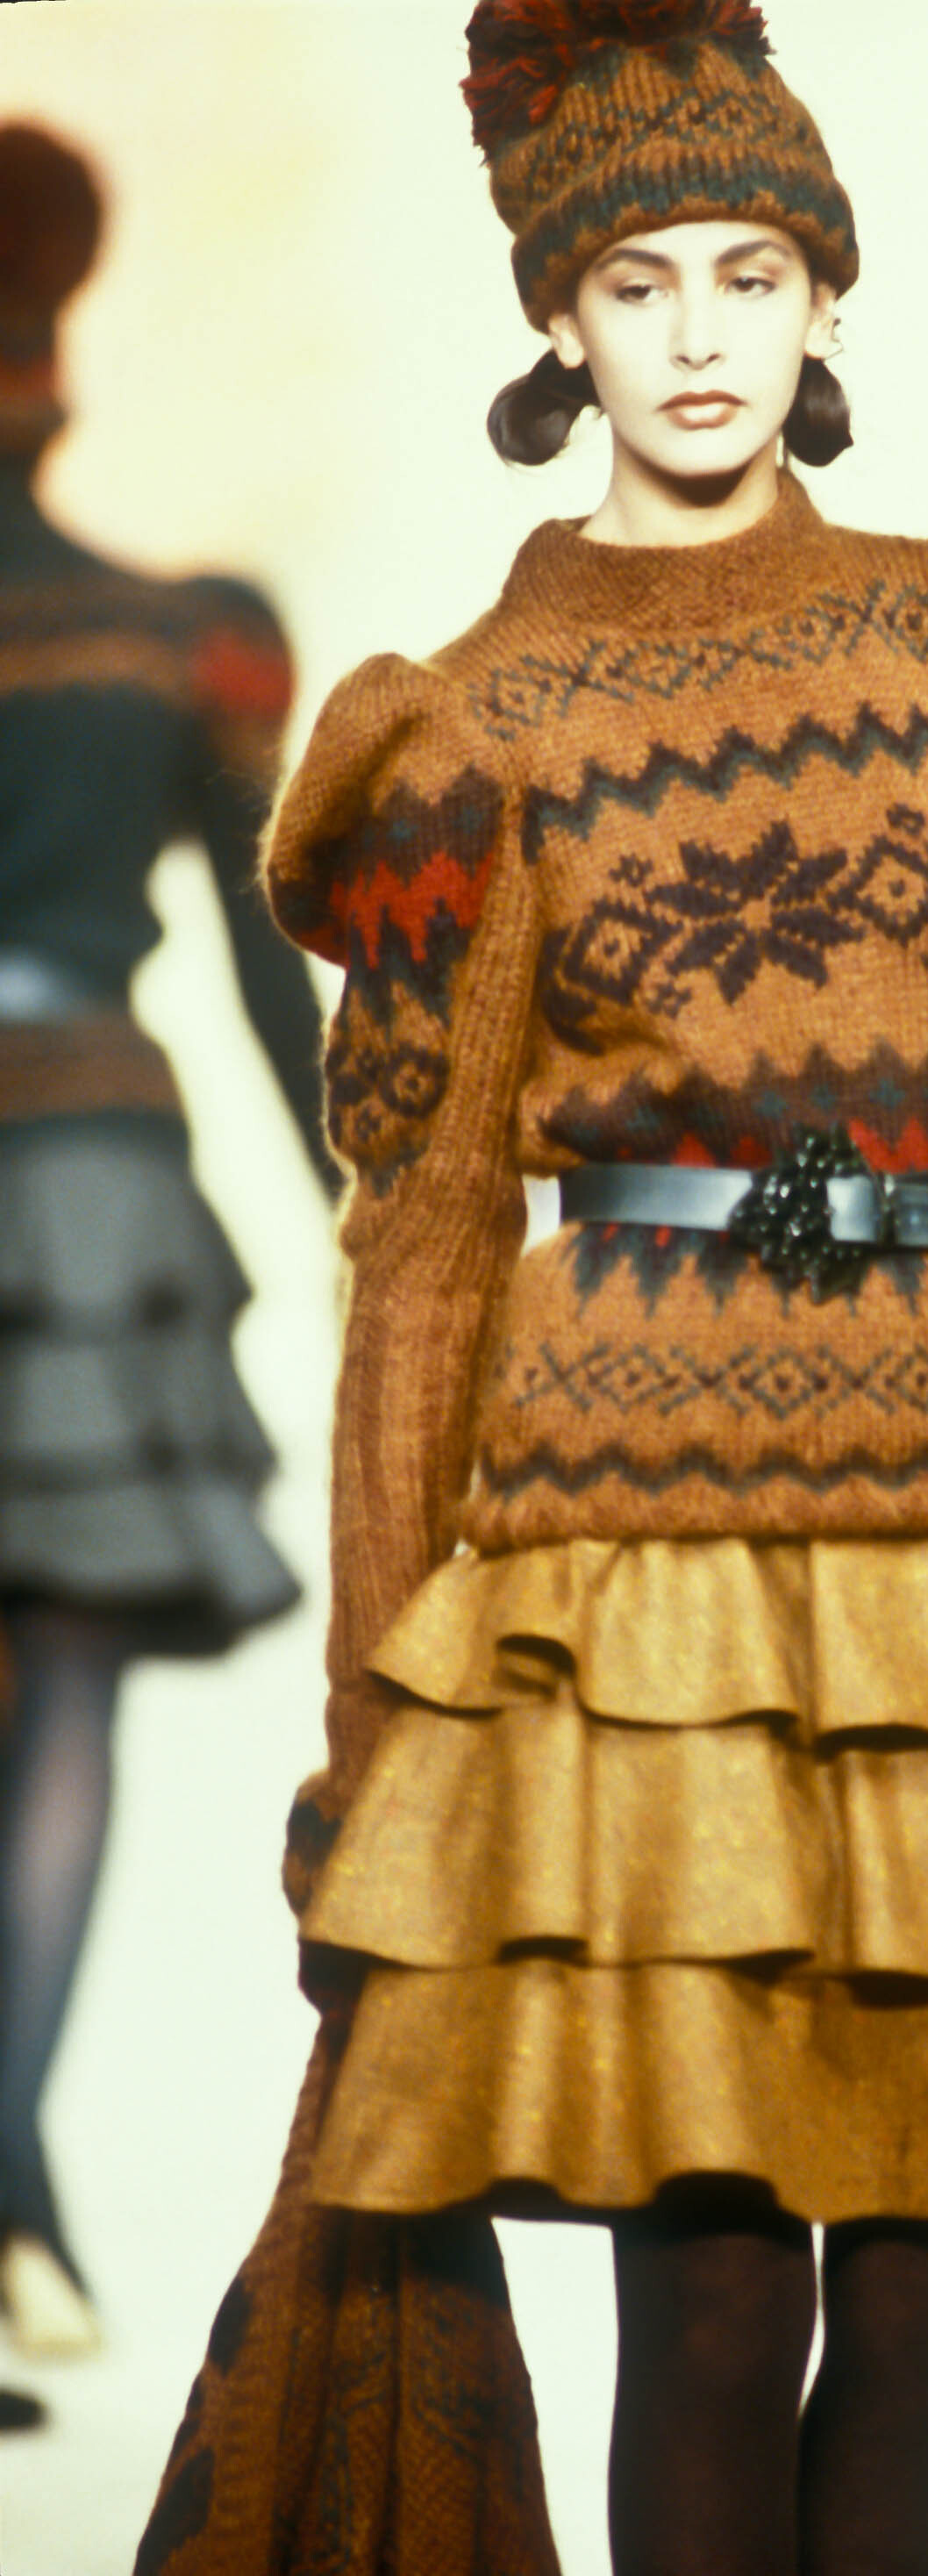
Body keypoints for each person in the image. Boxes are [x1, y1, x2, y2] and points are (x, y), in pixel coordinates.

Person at [139, 8, 928, 2571]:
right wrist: (377, 1715)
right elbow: (425, 1240)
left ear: (824, 298)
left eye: (749, 270)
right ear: (560, 320)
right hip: (638, 1556)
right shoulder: (471, 727)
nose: (700, 332)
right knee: (709, 2307)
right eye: (638, 281)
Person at [0, 126, 334, 2361]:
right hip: (93, 1177)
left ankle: (10, 2200)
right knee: (62, 1695)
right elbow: (258, 954)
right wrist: (357, 1201)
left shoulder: (176, 630)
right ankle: (12, 2198)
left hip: (83, 1177)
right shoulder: (173, 635)